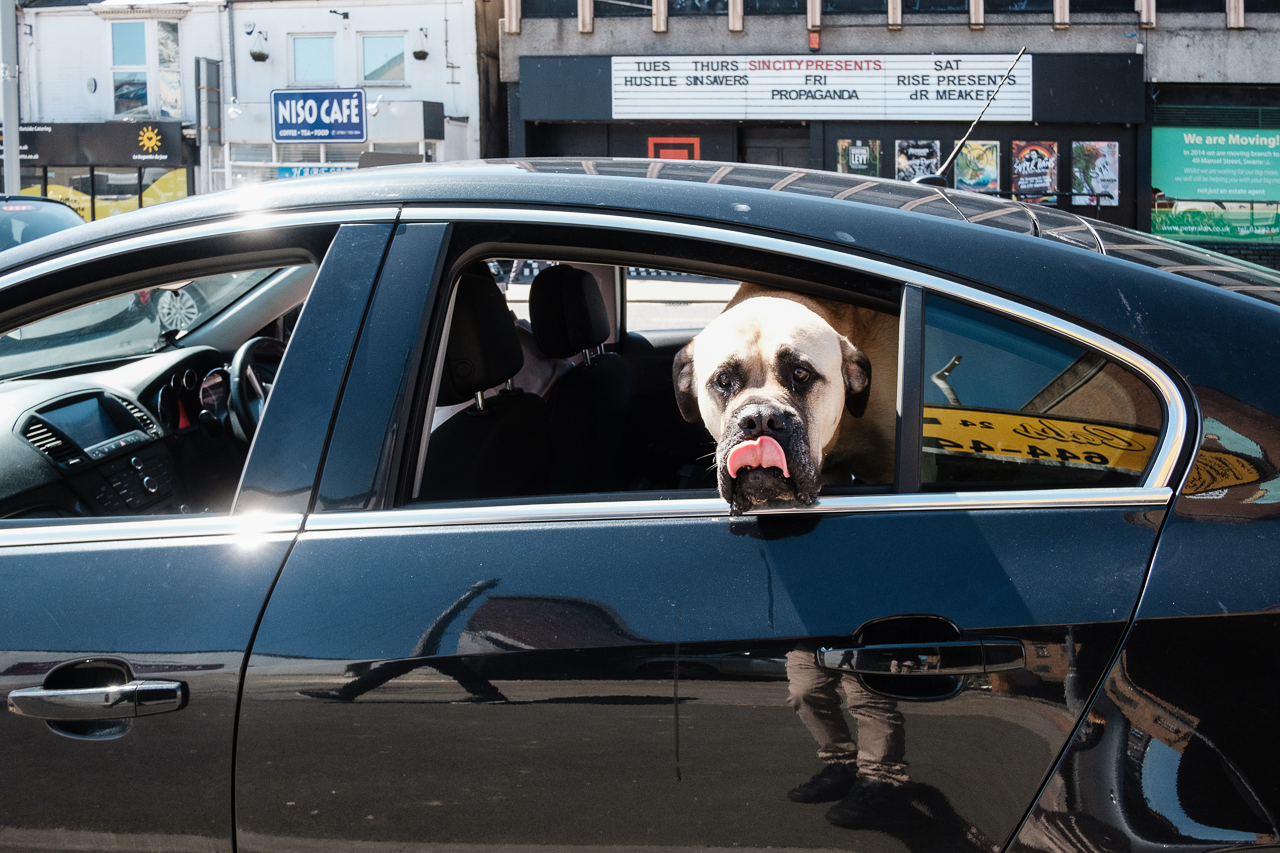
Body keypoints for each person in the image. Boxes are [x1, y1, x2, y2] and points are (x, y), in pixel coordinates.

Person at [785, 645, 912, 828]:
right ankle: (844, 765)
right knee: (804, 693)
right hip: (812, 635)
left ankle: (879, 782)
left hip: (868, 635)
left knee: (870, 702)